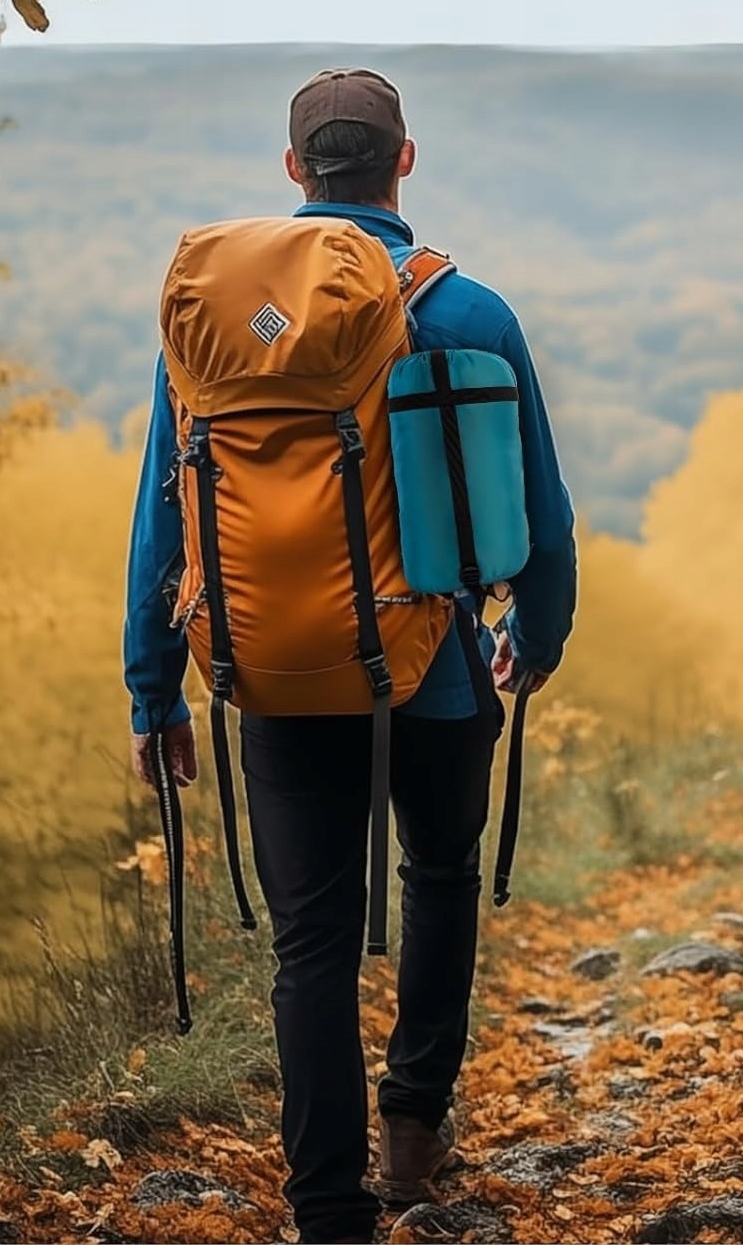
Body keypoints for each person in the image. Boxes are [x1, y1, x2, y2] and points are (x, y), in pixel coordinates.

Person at [123, 67, 578, 1245]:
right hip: (435, 672)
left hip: (273, 672)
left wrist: (152, 686)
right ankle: (414, 1130)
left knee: (309, 939)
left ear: (293, 173)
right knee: (438, 878)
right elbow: (539, 513)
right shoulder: (467, 312)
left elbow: (164, 517)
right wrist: (533, 637)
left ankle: (327, 1205)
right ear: (403, 162)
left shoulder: (212, 325)